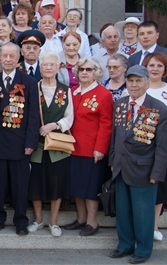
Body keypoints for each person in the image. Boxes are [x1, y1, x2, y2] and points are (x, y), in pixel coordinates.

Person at [108, 65, 167, 264]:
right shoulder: (121, 104)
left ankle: (143, 250)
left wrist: (157, 172)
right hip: (121, 167)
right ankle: (124, 245)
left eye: (138, 80)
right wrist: (112, 160)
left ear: (147, 83)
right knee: (123, 209)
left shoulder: (159, 108)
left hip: (145, 169)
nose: (134, 84)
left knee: (143, 213)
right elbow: (116, 136)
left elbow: (162, 146)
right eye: (131, 80)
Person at [0, 42, 40, 236]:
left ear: (18, 58)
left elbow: (33, 115)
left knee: (20, 185)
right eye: (5, 56)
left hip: (20, 141)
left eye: (12, 56)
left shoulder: (28, 82)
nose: (8, 59)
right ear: (0, 58)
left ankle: (20, 221)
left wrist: (30, 142)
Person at [63, 57, 113, 236]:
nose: (84, 72)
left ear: (96, 72)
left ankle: (92, 222)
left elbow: (106, 124)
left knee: (91, 188)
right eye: (82, 69)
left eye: (89, 69)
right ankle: (81, 218)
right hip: (72, 146)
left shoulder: (103, 94)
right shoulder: (73, 91)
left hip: (92, 149)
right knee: (77, 185)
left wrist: (100, 148)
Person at [27, 52, 74, 237]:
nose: (48, 68)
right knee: (35, 182)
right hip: (36, 142)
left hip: (57, 143)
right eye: (44, 65)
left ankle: (53, 222)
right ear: (40, 68)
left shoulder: (65, 90)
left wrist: (55, 125)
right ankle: (38, 220)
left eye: (51, 65)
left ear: (58, 67)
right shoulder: (34, 87)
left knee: (57, 181)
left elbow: (70, 117)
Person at [141, 52, 167, 242]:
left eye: (159, 65)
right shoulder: (139, 88)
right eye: (152, 65)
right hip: (142, 144)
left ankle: (155, 225)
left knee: (160, 185)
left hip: (163, 144)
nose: (155, 69)